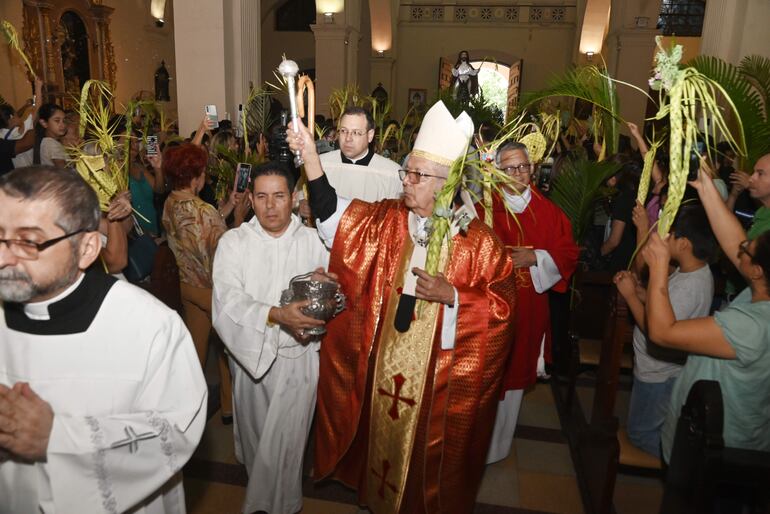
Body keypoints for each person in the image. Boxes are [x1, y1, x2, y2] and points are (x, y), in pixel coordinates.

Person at [287, 100, 516, 514]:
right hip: (384, 371)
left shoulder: (479, 243)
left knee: (423, 469)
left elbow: (503, 310)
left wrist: (457, 298)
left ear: (445, 184)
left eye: (417, 174)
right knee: (382, 455)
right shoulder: (388, 220)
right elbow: (333, 214)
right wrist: (309, 158)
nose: (406, 181)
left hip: (436, 379)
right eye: (406, 171)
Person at [0, 166, 207, 513]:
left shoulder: (149, 326)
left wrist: (58, 438)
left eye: (29, 241)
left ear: (87, 248)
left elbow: (176, 431)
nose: (5, 258)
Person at [212, 161, 330, 514]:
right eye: (261, 197)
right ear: (250, 198)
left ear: (294, 198)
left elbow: (336, 294)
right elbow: (227, 300)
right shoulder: (234, 243)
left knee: (288, 449)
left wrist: (328, 288)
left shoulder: (314, 241)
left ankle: (277, 507)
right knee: (258, 441)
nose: (270, 206)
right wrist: (276, 314)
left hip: (299, 360)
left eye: (279, 196)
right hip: (253, 363)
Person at [643, 167, 770, 463]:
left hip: (717, 452)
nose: (739, 250)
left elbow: (663, 332)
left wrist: (660, 267)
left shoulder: (754, 325)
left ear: (756, 271)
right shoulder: (761, 289)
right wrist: (706, 189)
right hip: (709, 438)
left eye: (746, 252)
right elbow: (733, 240)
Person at [480, 141, 579, 464]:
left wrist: (536, 257)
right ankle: (475, 443)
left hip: (528, 309)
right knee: (485, 374)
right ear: (496, 171)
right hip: (487, 311)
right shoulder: (484, 208)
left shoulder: (549, 213)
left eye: (524, 166)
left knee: (512, 379)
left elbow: (567, 255)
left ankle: (497, 449)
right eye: (510, 168)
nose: (519, 173)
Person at [614, 205, 716, 457]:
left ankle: (684, 465)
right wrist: (640, 292)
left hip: (658, 372)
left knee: (642, 433)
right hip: (657, 368)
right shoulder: (692, 271)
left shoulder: (691, 286)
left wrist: (630, 297)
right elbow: (665, 307)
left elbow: (655, 329)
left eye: (670, 234)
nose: (663, 237)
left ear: (684, 244)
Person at [162, 143, 234, 425]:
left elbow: (199, 233)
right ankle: (229, 408)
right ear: (196, 176)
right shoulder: (203, 210)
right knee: (229, 349)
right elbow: (224, 247)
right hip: (211, 289)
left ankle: (184, 415)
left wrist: (225, 209)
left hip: (186, 285)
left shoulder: (171, 201)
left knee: (194, 357)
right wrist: (237, 216)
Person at [316, 106, 402, 202]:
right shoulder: (320, 164)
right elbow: (303, 197)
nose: (348, 138)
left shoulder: (392, 173)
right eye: (344, 131)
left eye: (356, 133)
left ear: (370, 135)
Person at [32, 103, 68, 168]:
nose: (63, 125)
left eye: (64, 120)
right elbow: (64, 171)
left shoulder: (49, 141)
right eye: (57, 121)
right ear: (44, 123)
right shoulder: (51, 143)